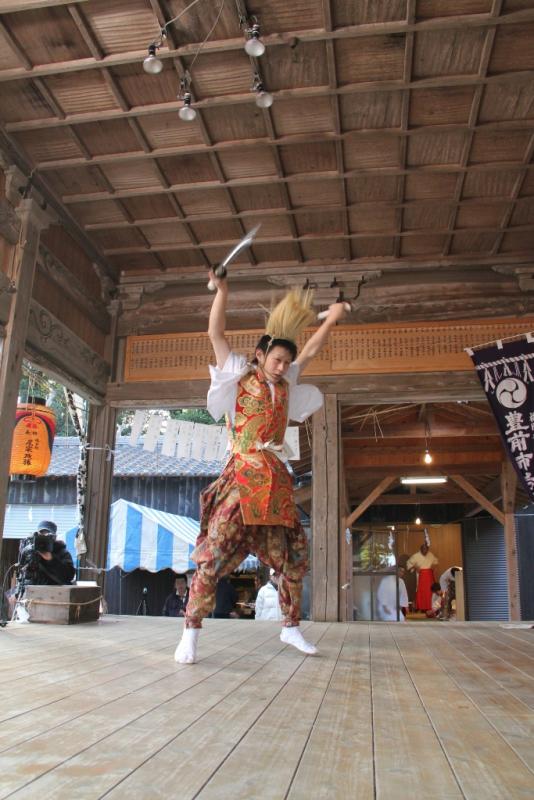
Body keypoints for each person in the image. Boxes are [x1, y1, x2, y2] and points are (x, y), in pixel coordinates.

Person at [175, 271, 346, 663]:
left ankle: (291, 628)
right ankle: (190, 632)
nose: (284, 367)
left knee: (292, 555)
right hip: (241, 475)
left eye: (287, 361)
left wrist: (332, 317)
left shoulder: (287, 383)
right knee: (214, 552)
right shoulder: (239, 376)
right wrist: (223, 291)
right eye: (278, 360)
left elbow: (313, 350)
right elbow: (216, 334)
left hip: (274, 479)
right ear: (260, 355)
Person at [17, 520, 75, 590]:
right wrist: (17, 592)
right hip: (31, 594)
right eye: (41, 534)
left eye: (47, 535)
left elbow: (68, 577)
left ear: (54, 537)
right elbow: (23, 575)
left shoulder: (62, 552)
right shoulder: (29, 550)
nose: (44, 537)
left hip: (53, 595)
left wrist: (52, 560)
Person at [406, 541, 438, 613]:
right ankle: (421, 607)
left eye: (426, 550)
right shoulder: (415, 556)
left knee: (430, 591)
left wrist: (434, 567)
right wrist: (415, 567)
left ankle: (431, 607)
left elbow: (436, 562)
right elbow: (408, 565)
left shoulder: (430, 555)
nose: (425, 551)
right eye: (424, 550)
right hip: (420, 576)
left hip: (429, 576)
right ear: (421, 549)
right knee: (421, 592)